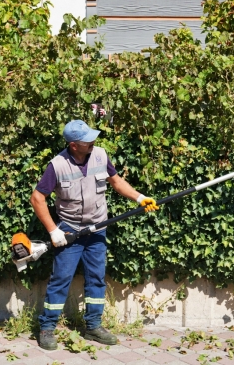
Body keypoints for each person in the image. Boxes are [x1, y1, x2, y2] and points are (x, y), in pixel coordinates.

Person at [30, 119, 158, 350]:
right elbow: (37, 198)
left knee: (96, 278)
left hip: (98, 227)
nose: (93, 142)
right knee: (61, 279)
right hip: (70, 230)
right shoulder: (57, 165)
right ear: (73, 145)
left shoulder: (100, 155)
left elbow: (116, 182)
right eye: (87, 140)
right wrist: (53, 230)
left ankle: (93, 326)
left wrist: (140, 198)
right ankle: (47, 328)